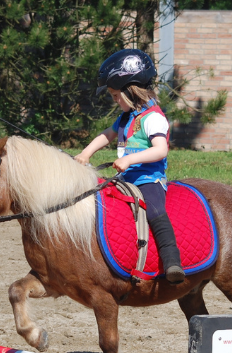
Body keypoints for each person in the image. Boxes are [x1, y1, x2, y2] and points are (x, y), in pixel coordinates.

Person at [74, 48, 184, 284]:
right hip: (125, 180)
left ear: (130, 90)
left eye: (115, 95)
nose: (114, 100)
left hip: (148, 179)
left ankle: (172, 261)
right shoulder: (126, 117)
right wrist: (85, 153)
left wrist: (128, 159)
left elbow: (160, 149)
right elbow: (107, 135)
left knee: (156, 212)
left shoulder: (153, 117)